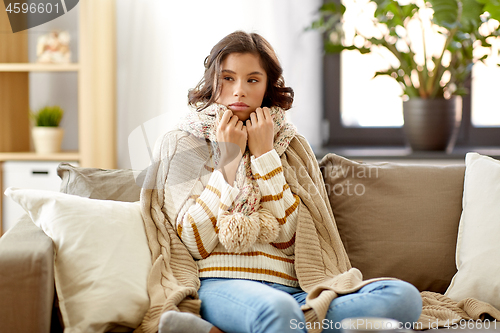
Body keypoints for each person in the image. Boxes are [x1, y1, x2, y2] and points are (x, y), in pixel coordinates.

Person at [138, 31, 422, 333]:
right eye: (228, 78)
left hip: (296, 290)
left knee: (403, 299)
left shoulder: (293, 145)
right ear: (212, 81)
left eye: (252, 80)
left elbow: (290, 239)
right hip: (221, 283)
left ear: (267, 86)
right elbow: (194, 243)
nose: (238, 91)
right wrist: (229, 159)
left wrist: (265, 155)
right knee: (279, 311)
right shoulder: (180, 142)